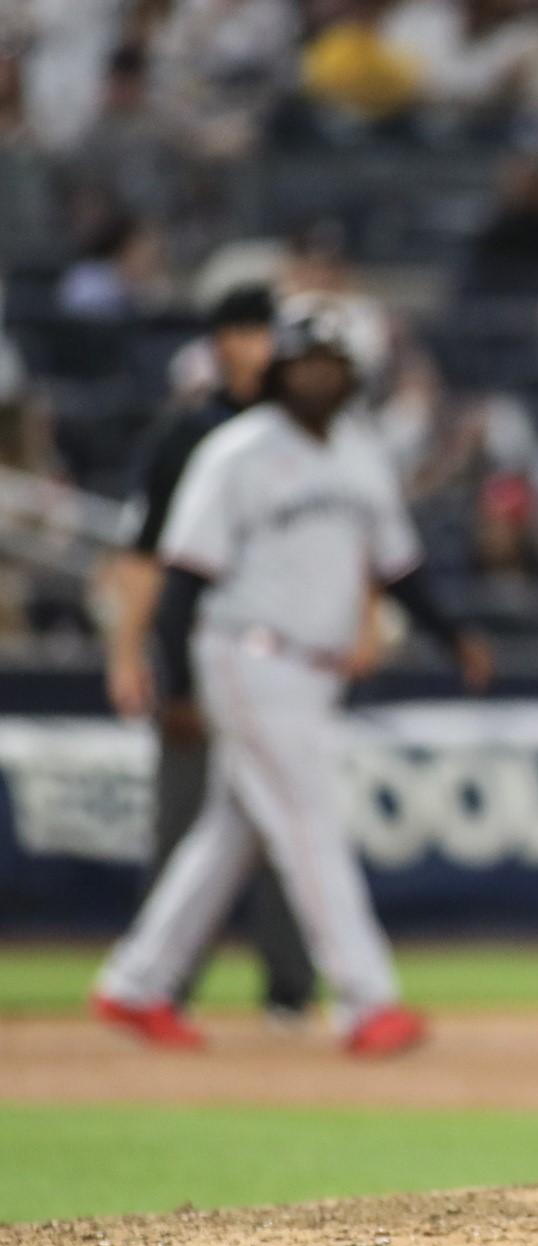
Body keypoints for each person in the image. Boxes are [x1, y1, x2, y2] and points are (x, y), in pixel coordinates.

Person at [91, 301, 494, 1056]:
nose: (318, 377)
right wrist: (173, 685)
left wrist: (452, 638)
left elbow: (396, 567)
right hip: (246, 654)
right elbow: (182, 578)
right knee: (309, 822)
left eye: (332, 366)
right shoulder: (235, 451)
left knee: (232, 830)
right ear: (279, 370)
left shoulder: (359, 451)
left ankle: (135, 982)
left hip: (314, 668)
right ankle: (367, 1000)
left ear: (352, 377)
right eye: (305, 363)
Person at [102, 286, 317, 1025]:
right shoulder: (186, 433)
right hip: (195, 644)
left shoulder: (308, 431)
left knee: (292, 827)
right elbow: (141, 557)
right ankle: (164, 986)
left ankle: (289, 992)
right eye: (243, 331)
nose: (254, 346)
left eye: (265, 332)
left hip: (287, 653)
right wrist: (128, 651)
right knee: (186, 819)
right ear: (221, 342)